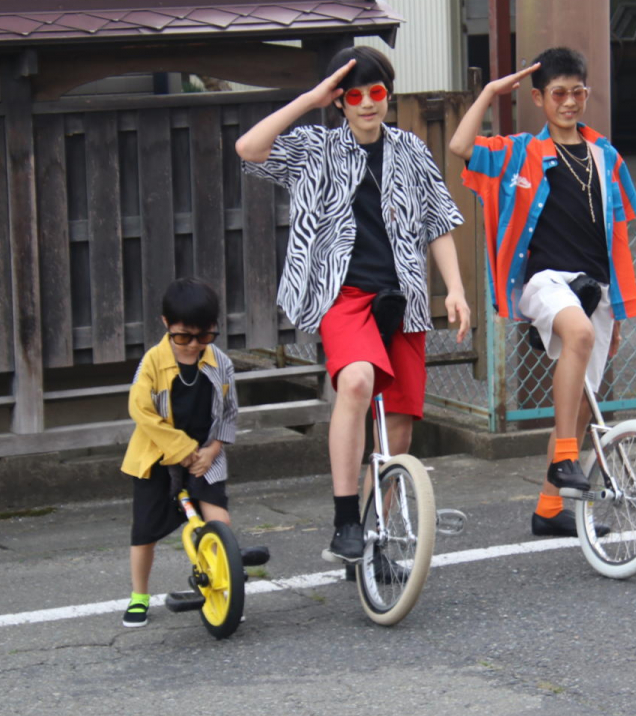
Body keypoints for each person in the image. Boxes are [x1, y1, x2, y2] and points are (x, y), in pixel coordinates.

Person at [236, 46, 470, 562]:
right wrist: (312, 99)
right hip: (342, 295)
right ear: (340, 101)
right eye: (355, 95)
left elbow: (439, 224)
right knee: (358, 380)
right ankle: (345, 520)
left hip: (403, 297)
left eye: (377, 93)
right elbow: (250, 149)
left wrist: (454, 288)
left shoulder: (410, 149)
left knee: (401, 424)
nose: (367, 104)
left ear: (389, 95)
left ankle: (375, 535)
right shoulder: (315, 147)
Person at [449, 46, 636, 537]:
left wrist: (616, 311)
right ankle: (563, 460)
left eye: (578, 92)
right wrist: (491, 93)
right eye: (559, 93)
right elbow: (459, 147)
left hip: (595, 287)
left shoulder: (606, 156)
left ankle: (550, 509)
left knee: (583, 399)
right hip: (543, 282)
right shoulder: (519, 152)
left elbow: (617, 236)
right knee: (575, 336)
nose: (570, 102)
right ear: (540, 98)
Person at [121, 277, 266, 627]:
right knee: (145, 532)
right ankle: (139, 595)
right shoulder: (153, 363)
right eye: (183, 336)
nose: (192, 346)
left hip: (205, 455)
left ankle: (222, 578)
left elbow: (230, 412)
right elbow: (142, 413)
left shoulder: (220, 363)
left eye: (203, 337)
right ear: (166, 324)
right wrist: (183, 451)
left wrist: (213, 449)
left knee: (220, 521)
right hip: (158, 457)